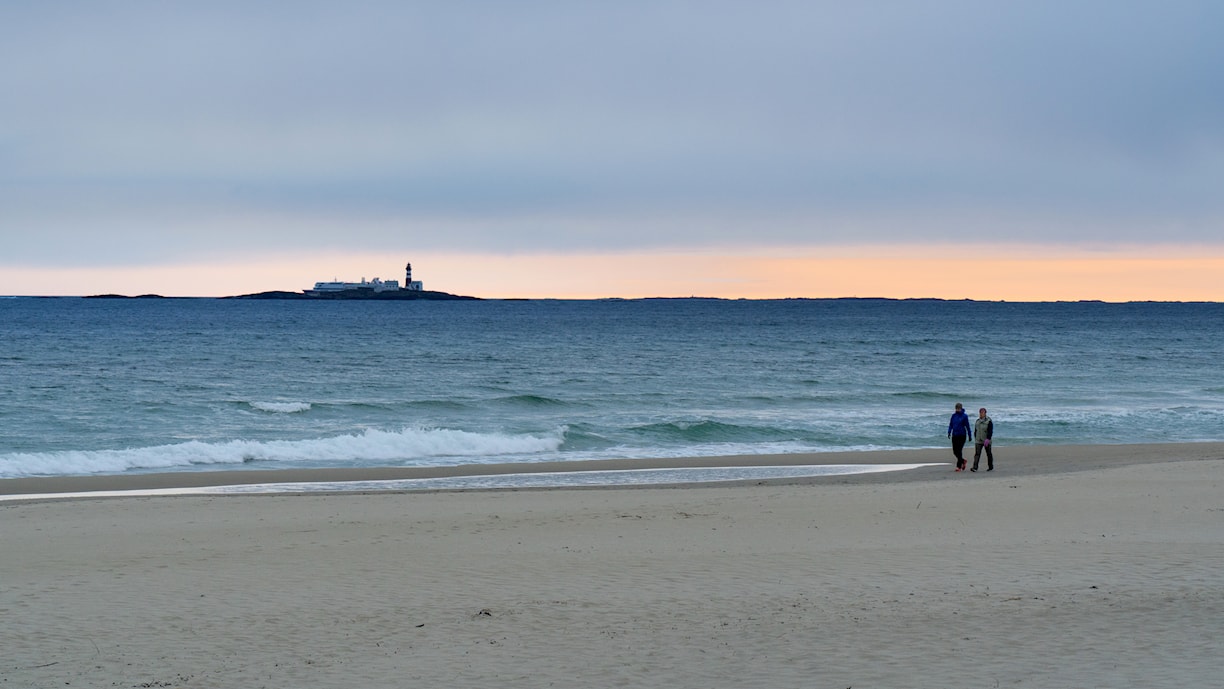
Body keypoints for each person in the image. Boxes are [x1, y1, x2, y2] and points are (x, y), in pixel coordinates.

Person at [947, 402, 971, 471]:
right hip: (954, 435)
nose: (957, 410)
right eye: (956, 409)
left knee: (959, 451)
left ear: (961, 408)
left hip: (962, 435)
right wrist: (949, 432)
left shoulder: (964, 416)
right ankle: (963, 461)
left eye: (959, 409)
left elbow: (967, 426)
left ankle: (959, 467)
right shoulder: (953, 416)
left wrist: (969, 435)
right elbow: (951, 424)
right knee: (955, 451)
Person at [971, 407, 994, 472]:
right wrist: (975, 437)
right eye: (980, 412)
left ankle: (990, 466)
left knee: (988, 454)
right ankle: (975, 467)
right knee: (977, 454)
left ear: (985, 413)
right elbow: (976, 430)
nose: (981, 414)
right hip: (978, 440)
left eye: (982, 412)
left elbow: (990, 431)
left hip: (986, 440)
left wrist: (988, 439)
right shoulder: (977, 421)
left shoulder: (989, 421)